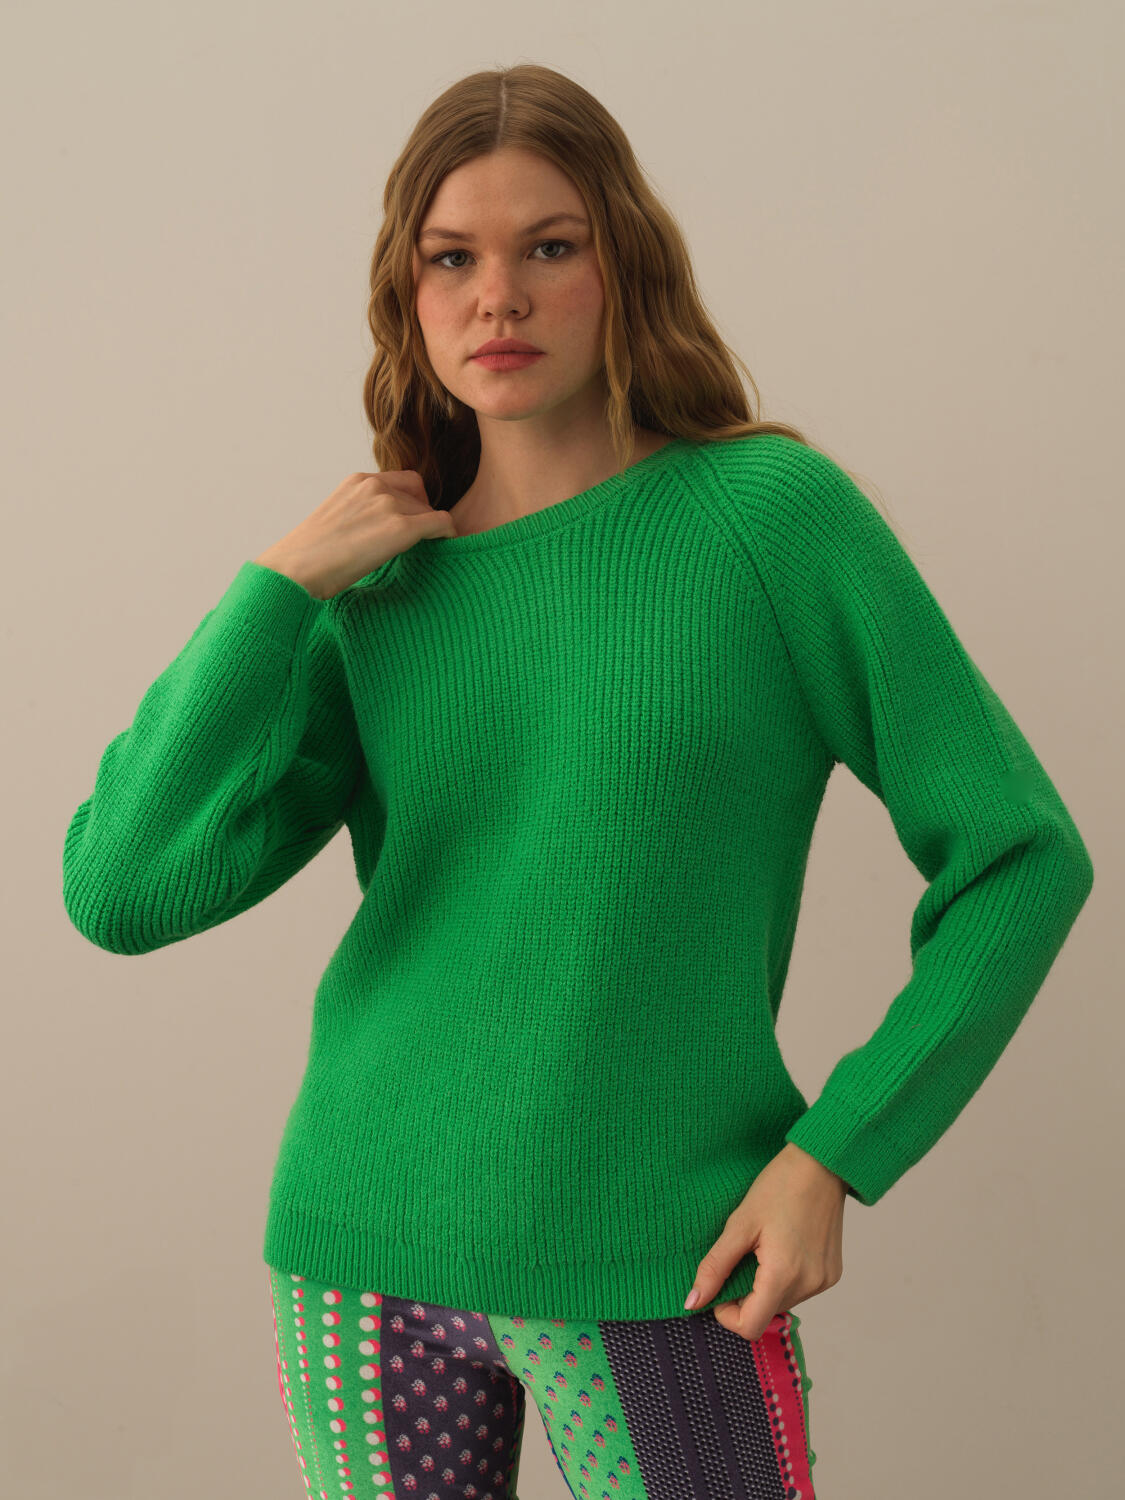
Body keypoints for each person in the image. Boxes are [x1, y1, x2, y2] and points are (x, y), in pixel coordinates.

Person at [63, 62, 1094, 1500]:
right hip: (364, 1244)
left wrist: (839, 1152)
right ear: (406, 292)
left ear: (625, 266)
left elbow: (1020, 853)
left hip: (667, 1257)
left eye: (548, 246)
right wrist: (277, 589)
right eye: (451, 258)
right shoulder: (376, 591)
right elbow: (119, 890)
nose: (498, 297)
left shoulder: (769, 522)